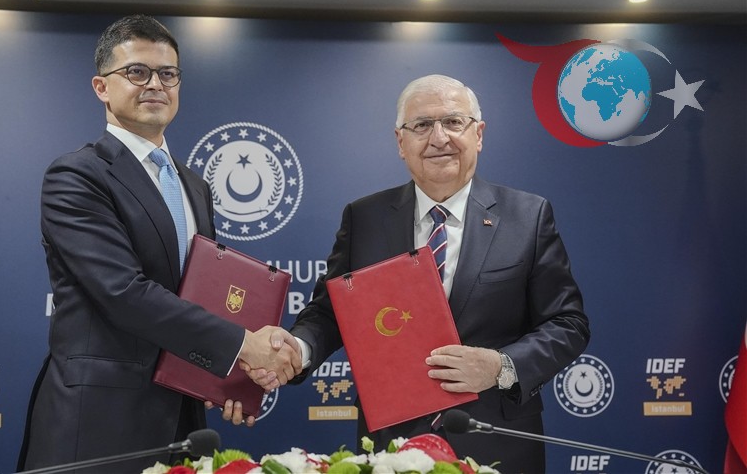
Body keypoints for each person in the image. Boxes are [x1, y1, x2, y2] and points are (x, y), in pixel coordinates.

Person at [246, 74, 590, 473]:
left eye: (453, 122)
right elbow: (329, 313)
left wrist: (500, 366)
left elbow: (568, 324)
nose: (439, 138)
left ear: (478, 134)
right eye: (422, 125)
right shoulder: (364, 218)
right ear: (400, 142)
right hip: (392, 445)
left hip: (497, 443)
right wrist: (297, 349)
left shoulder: (528, 216)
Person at [17, 15, 301, 472]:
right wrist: (241, 346)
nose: (155, 84)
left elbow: (202, 297)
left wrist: (227, 377)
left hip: (182, 419)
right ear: (101, 87)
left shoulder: (194, 186)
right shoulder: (76, 176)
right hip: (100, 424)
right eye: (137, 72)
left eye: (168, 74)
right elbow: (123, 293)